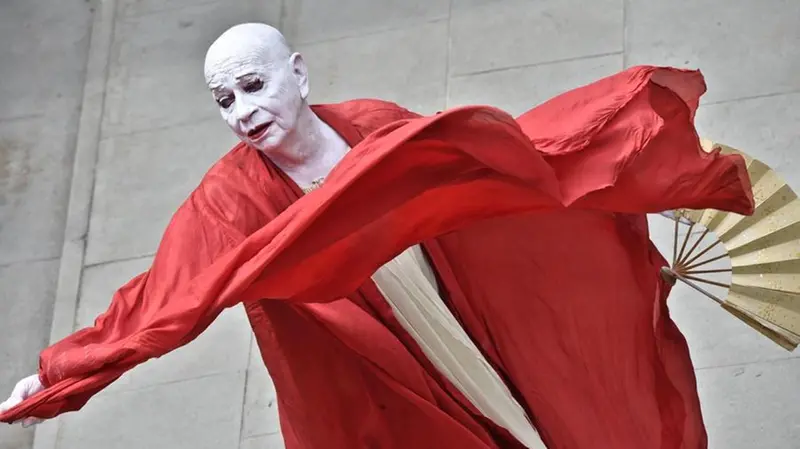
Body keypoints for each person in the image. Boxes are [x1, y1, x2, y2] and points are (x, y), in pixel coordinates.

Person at [1, 23, 753, 448]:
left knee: (545, 411)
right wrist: (63, 368)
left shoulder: (371, 122)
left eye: (254, 86)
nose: (241, 111)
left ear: (296, 73)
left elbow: (490, 182)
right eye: (223, 99)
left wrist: (599, 242)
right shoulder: (229, 199)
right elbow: (162, 300)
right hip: (370, 360)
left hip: (453, 307)